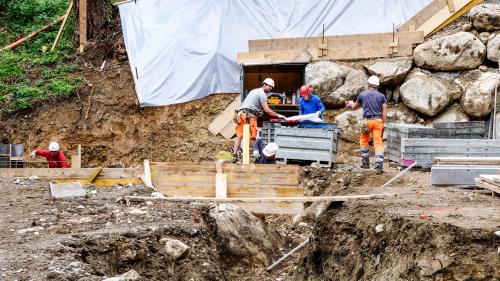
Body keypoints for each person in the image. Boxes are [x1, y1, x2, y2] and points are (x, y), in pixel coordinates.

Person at [233, 78, 286, 162]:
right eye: (268, 86)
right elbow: (267, 110)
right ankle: (256, 158)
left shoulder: (254, 91)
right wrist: (279, 115)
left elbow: (252, 105)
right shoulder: (262, 94)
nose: (270, 88)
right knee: (252, 137)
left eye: (271, 87)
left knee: (239, 136)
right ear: (264, 84)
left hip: (241, 114)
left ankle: (234, 155)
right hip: (249, 116)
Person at [345, 75, 387, 174]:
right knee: (378, 142)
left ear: (369, 84)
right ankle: (378, 166)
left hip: (367, 122)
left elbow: (354, 107)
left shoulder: (363, 94)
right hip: (378, 121)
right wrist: (384, 123)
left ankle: (365, 163)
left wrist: (351, 104)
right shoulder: (382, 96)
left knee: (364, 139)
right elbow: (384, 111)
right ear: (377, 85)